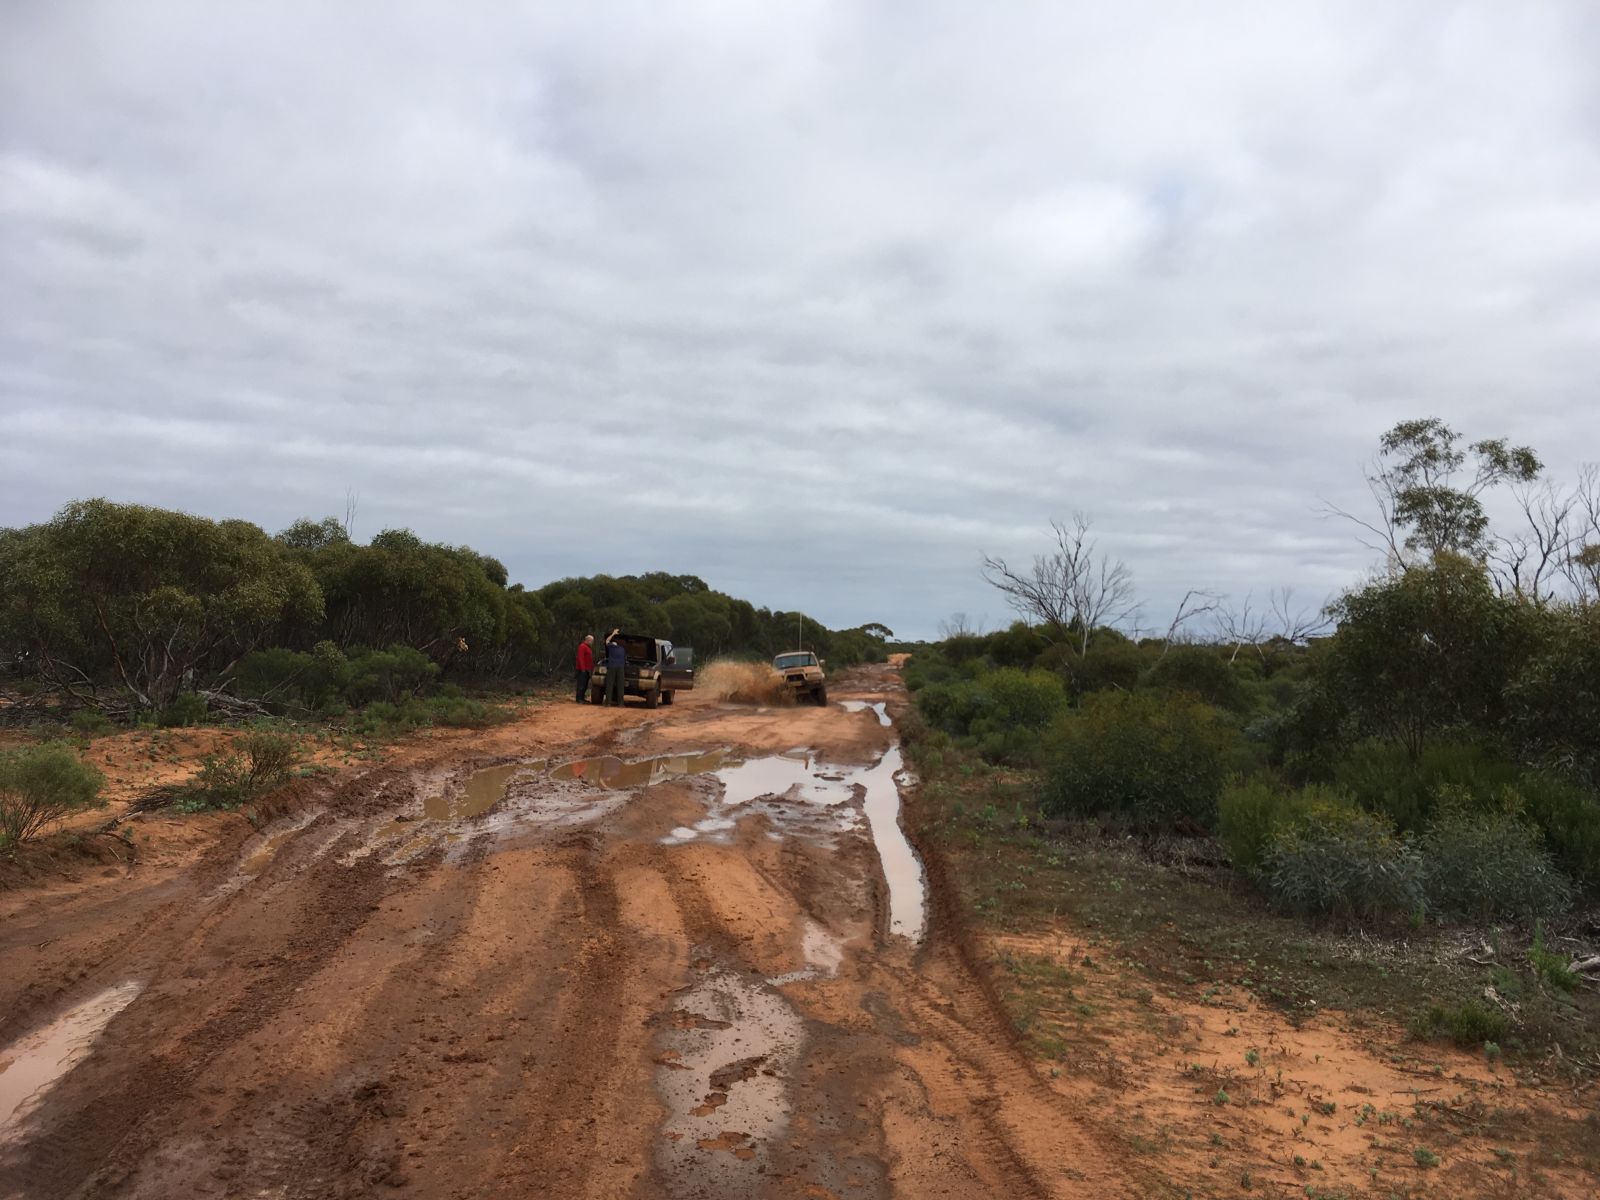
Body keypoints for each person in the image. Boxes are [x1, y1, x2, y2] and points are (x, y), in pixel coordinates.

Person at [604, 629, 627, 707]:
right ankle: (621, 703)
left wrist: (613, 633)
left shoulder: (611, 647)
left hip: (612, 666)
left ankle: (608, 702)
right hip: (620, 667)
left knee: (610, 684)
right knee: (620, 685)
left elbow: (607, 640)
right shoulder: (622, 649)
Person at [574, 634, 594, 703]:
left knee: (585, 684)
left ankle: (582, 698)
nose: (592, 642)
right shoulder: (582, 646)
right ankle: (579, 699)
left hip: (587, 669)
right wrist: (583, 669)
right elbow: (580, 658)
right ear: (587, 640)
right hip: (582, 669)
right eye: (591, 641)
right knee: (581, 684)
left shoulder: (588, 647)